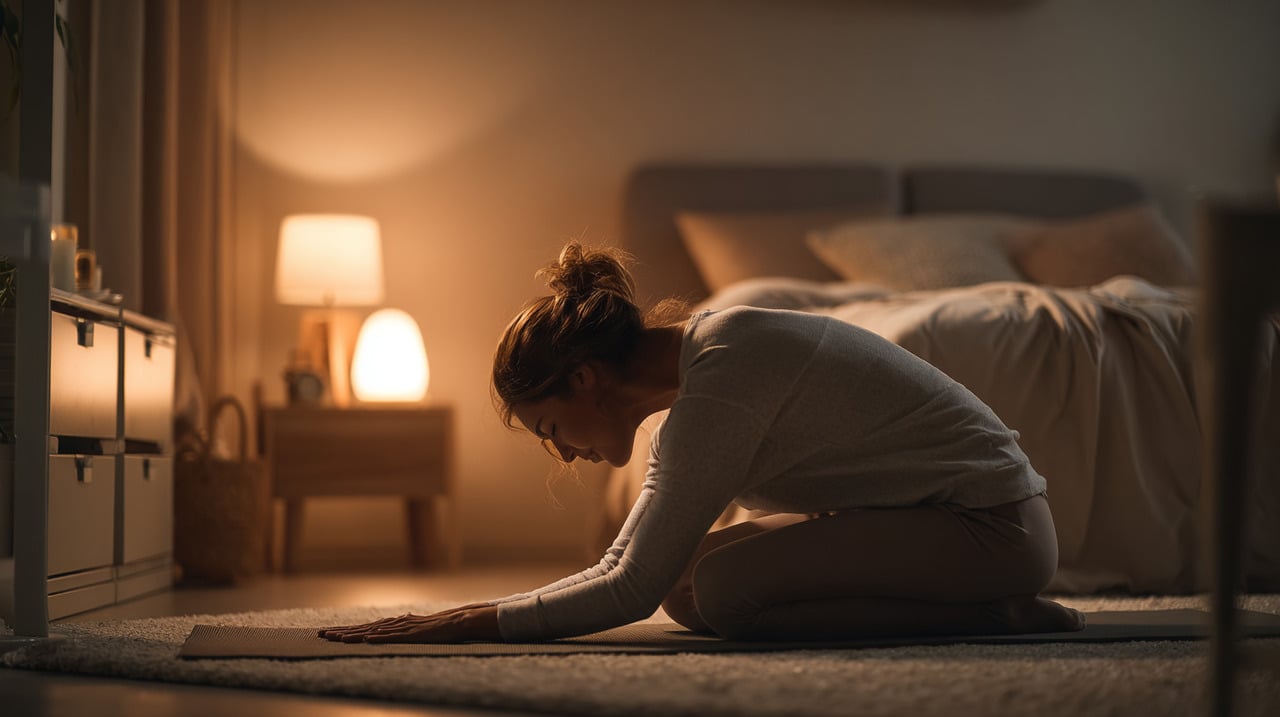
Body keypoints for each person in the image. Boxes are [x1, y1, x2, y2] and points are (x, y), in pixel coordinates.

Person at [320, 242, 1085, 644]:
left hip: (993, 527)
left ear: (585, 378)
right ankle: (982, 604)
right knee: (689, 587)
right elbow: (634, 565)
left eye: (552, 430)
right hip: (941, 517)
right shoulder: (701, 377)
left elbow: (623, 589)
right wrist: (481, 609)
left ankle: (997, 616)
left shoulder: (725, 372)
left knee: (721, 591)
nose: (564, 454)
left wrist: (464, 621)